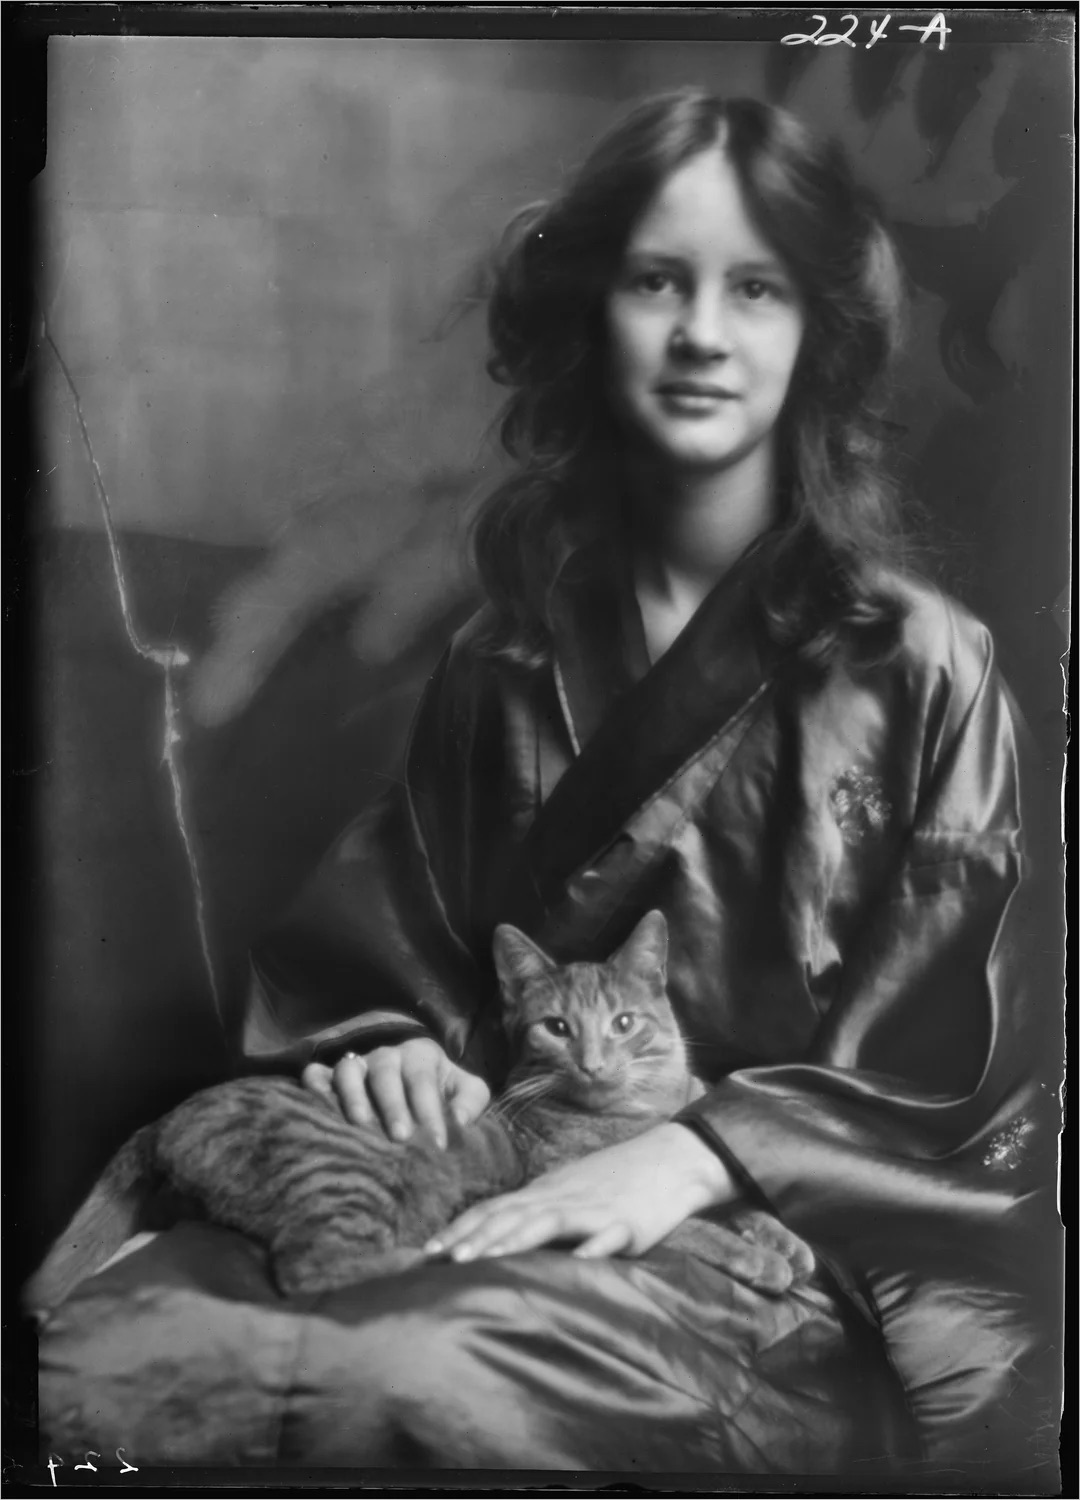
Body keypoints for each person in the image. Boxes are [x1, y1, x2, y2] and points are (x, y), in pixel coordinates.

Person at [42, 90, 1061, 1479]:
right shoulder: (505, 652)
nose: (703, 333)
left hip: (778, 1238)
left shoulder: (926, 665)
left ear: (817, 334)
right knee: (110, 1350)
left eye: (757, 288)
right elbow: (399, 939)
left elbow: (969, 1052)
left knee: (388, 1364)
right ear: (592, 314)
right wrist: (392, 1040)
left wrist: (701, 1156)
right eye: (657, 280)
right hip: (500, 1159)